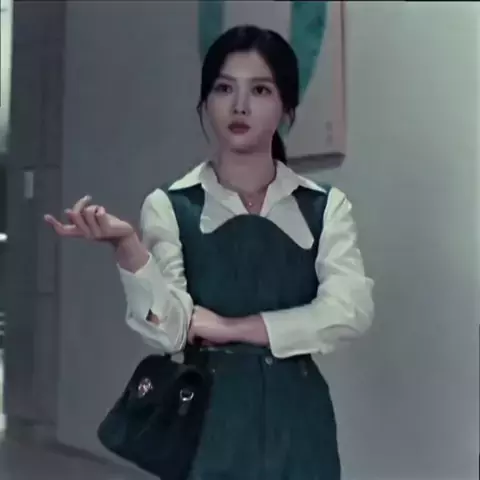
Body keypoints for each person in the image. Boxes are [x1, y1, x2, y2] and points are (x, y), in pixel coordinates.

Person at [45, 25, 374, 480]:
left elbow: (349, 311)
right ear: (205, 103)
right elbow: (169, 332)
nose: (239, 105)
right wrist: (129, 248)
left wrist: (231, 327)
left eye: (260, 89)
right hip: (210, 423)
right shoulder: (171, 205)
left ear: (286, 107)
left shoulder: (324, 207)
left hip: (301, 423)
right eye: (224, 88)